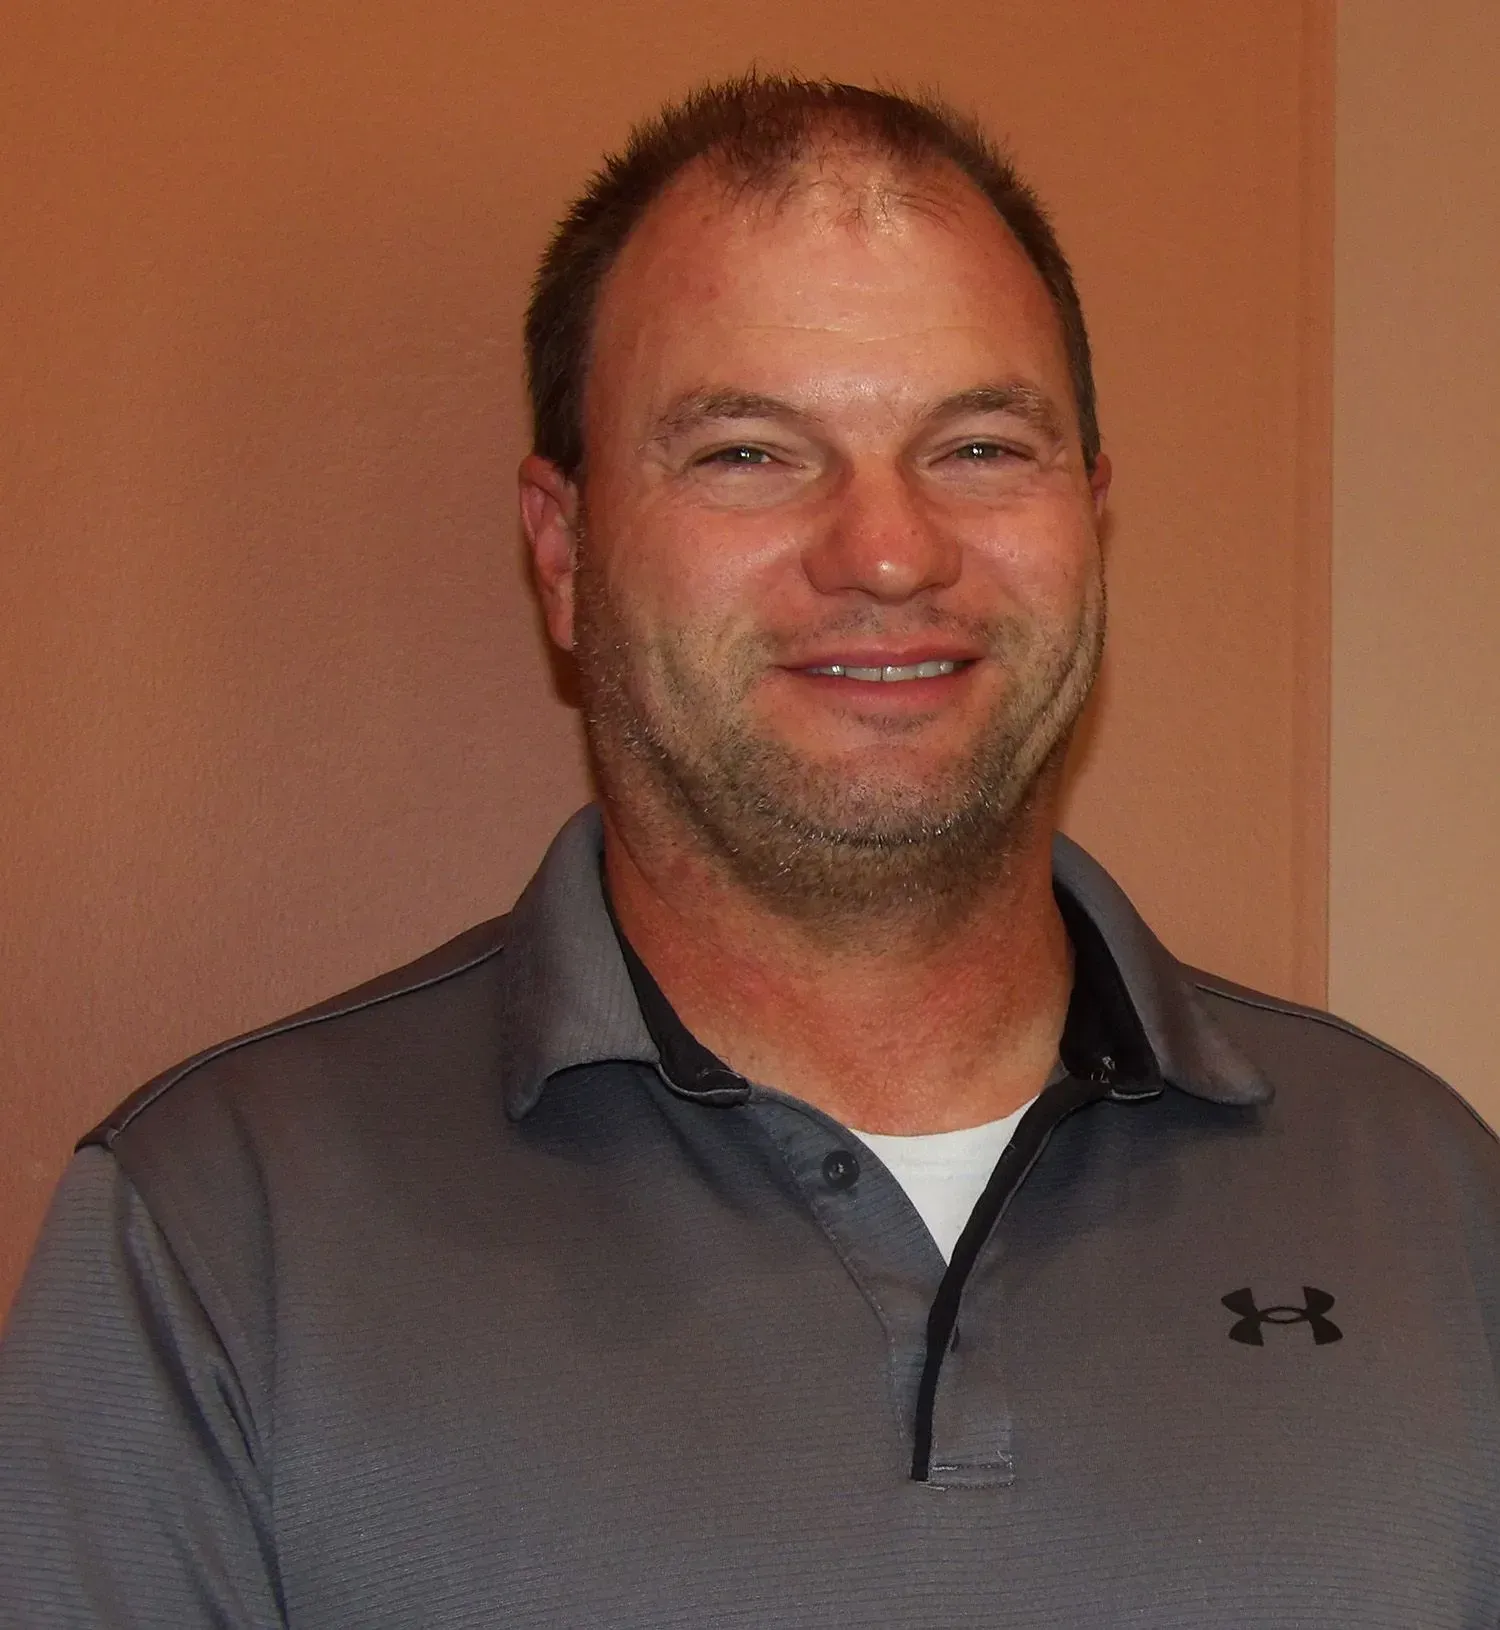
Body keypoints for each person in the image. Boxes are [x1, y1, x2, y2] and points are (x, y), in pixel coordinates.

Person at [2, 73, 1498, 1629]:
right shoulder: (215, 1242)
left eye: (981, 444)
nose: (890, 549)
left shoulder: (1430, 1209)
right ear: (564, 550)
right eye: (747, 453)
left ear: (1092, 517)